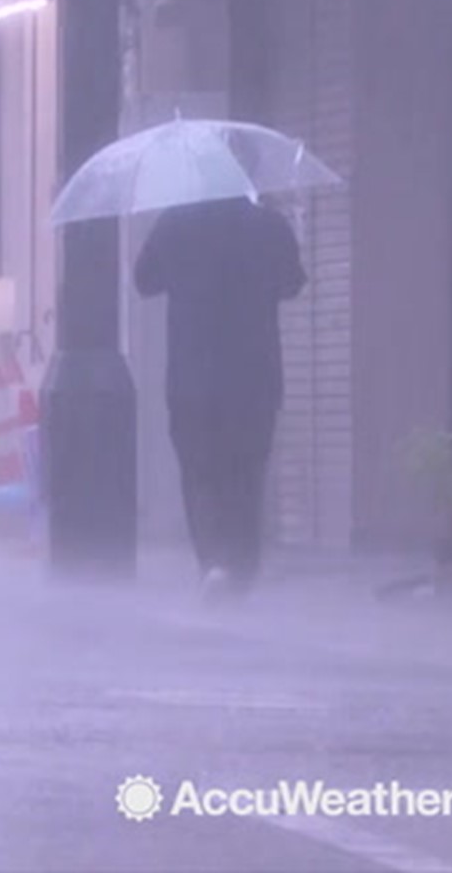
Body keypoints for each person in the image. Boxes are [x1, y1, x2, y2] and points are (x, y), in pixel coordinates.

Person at [134, 195, 307, 599]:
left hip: (192, 378)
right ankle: (240, 571)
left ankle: (213, 562)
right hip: (255, 377)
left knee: (200, 472)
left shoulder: (175, 222)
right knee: (247, 475)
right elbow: (293, 283)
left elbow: (144, 281)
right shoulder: (268, 225)